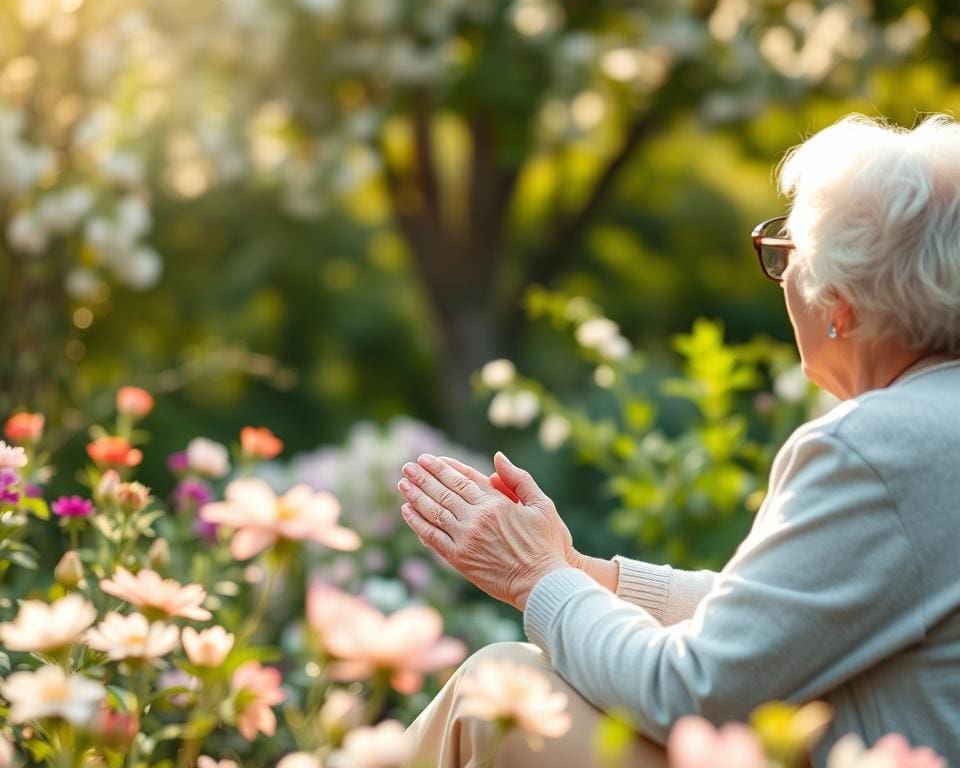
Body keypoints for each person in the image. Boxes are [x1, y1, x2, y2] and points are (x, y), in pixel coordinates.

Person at [396, 114, 960, 767]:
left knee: (495, 687)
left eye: (788, 258)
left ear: (842, 303)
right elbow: (787, 617)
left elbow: (692, 694)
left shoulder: (876, 445)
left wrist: (536, 578)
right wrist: (585, 573)